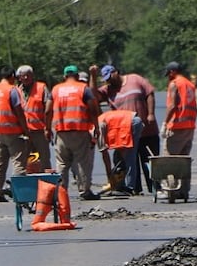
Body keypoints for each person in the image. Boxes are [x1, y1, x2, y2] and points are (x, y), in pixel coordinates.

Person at [89, 64, 159, 194]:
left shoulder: (135, 79)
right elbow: (92, 96)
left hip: (147, 130)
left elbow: (150, 94)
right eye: (106, 79)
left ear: (116, 72)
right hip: (124, 131)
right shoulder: (107, 90)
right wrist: (92, 76)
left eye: (110, 77)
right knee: (127, 160)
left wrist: (150, 113)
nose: (109, 80)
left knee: (150, 161)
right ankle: (134, 188)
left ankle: (154, 189)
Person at [49, 64, 101, 200]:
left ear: (65, 76)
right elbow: (93, 109)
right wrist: (96, 127)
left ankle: (60, 191)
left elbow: (48, 110)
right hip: (79, 130)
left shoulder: (55, 90)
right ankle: (84, 191)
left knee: (62, 163)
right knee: (81, 161)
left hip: (61, 131)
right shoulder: (83, 89)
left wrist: (47, 128)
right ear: (77, 76)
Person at [0, 65, 30, 202]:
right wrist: (26, 130)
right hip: (13, 131)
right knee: (18, 162)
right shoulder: (12, 90)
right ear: (12, 76)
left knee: (0, 163)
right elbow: (19, 111)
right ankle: (17, 192)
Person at [161, 61, 197, 197]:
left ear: (172, 72)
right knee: (184, 159)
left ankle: (171, 190)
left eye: (169, 74)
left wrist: (165, 123)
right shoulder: (189, 84)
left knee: (170, 158)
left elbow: (172, 106)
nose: (168, 77)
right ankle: (184, 191)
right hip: (189, 126)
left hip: (177, 126)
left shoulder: (175, 84)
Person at [96, 109, 144, 195]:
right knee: (118, 157)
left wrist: (109, 176)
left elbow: (105, 155)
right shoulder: (97, 123)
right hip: (126, 123)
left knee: (129, 156)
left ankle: (130, 188)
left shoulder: (96, 129)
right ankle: (120, 184)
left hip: (132, 123)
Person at [16, 64, 52, 171]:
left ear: (33, 76)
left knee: (44, 159)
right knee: (24, 160)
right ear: (19, 78)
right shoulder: (17, 90)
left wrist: (48, 128)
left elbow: (48, 108)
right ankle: (27, 183)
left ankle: (46, 184)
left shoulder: (41, 88)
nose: (26, 78)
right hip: (24, 131)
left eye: (28, 75)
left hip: (39, 130)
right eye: (23, 76)